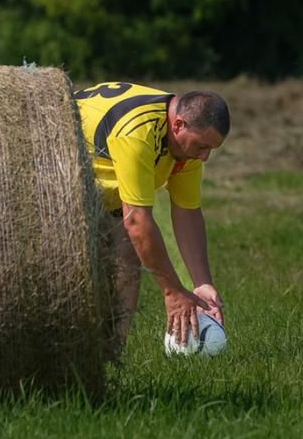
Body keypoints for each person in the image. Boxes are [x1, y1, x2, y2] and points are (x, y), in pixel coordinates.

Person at [74, 81, 229, 350]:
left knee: (128, 257)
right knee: (86, 264)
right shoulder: (138, 134)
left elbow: (187, 211)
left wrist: (202, 283)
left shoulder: (186, 147)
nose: (205, 157)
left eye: (212, 150)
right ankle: (93, 351)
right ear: (179, 125)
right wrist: (173, 292)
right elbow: (136, 221)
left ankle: (110, 355)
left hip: (102, 185)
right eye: (203, 146)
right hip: (65, 179)